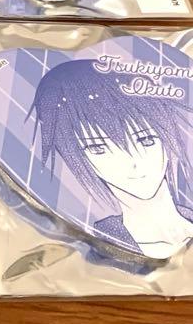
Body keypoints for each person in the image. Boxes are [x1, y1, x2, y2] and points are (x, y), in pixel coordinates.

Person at [32, 59, 193, 258]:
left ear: (165, 137)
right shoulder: (100, 244)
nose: (131, 162)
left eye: (146, 140)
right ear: (79, 157)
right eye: (98, 148)